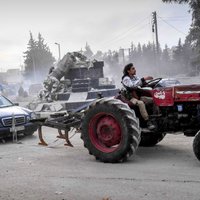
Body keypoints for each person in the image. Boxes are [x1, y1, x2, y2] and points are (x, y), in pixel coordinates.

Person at [121, 63, 155, 130]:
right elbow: (132, 86)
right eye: (133, 69)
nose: (135, 70)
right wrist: (143, 79)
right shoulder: (126, 79)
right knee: (140, 103)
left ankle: (156, 117)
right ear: (128, 71)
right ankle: (147, 121)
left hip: (137, 96)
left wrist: (149, 83)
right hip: (130, 98)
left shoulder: (135, 77)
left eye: (134, 68)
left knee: (154, 100)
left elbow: (140, 83)